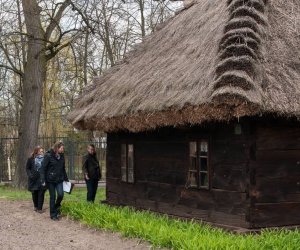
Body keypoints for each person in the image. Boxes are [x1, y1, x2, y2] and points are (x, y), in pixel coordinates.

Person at [41, 141, 68, 221]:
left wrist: (66, 179)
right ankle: (53, 215)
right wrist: (43, 179)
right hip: (51, 180)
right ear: (57, 148)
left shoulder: (62, 156)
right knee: (53, 197)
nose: (63, 149)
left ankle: (56, 207)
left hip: (59, 179)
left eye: (63, 148)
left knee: (60, 195)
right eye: (62, 148)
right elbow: (43, 168)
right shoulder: (48, 155)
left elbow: (63, 168)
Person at [26, 146, 46, 213]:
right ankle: (35, 206)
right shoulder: (31, 159)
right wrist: (30, 175)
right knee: (34, 193)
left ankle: (40, 208)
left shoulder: (45, 159)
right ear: (36, 151)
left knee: (41, 193)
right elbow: (27, 168)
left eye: (42, 151)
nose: (41, 152)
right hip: (33, 179)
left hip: (41, 179)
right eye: (40, 151)